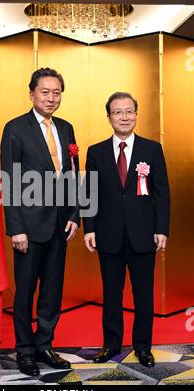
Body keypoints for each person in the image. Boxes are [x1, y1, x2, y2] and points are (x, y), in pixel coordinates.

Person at [0, 68, 79, 376]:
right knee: (25, 291)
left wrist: (75, 214)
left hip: (61, 225)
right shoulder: (15, 128)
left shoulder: (66, 127)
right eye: (45, 92)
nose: (51, 97)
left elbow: (72, 173)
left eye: (56, 92)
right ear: (31, 94)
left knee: (52, 290)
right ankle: (25, 350)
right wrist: (15, 227)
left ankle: (45, 344)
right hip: (28, 228)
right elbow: (9, 181)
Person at [83, 92, 170, 367]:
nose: (124, 117)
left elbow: (162, 193)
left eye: (129, 111)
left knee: (144, 294)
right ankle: (111, 345)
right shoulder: (95, 151)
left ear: (136, 114)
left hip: (143, 234)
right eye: (117, 112)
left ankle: (143, 347)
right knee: (111, 294)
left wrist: (161, 229)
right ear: (108, 117)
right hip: (108, 235)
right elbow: (90, 192)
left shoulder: (152, 149)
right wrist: (89, 228)